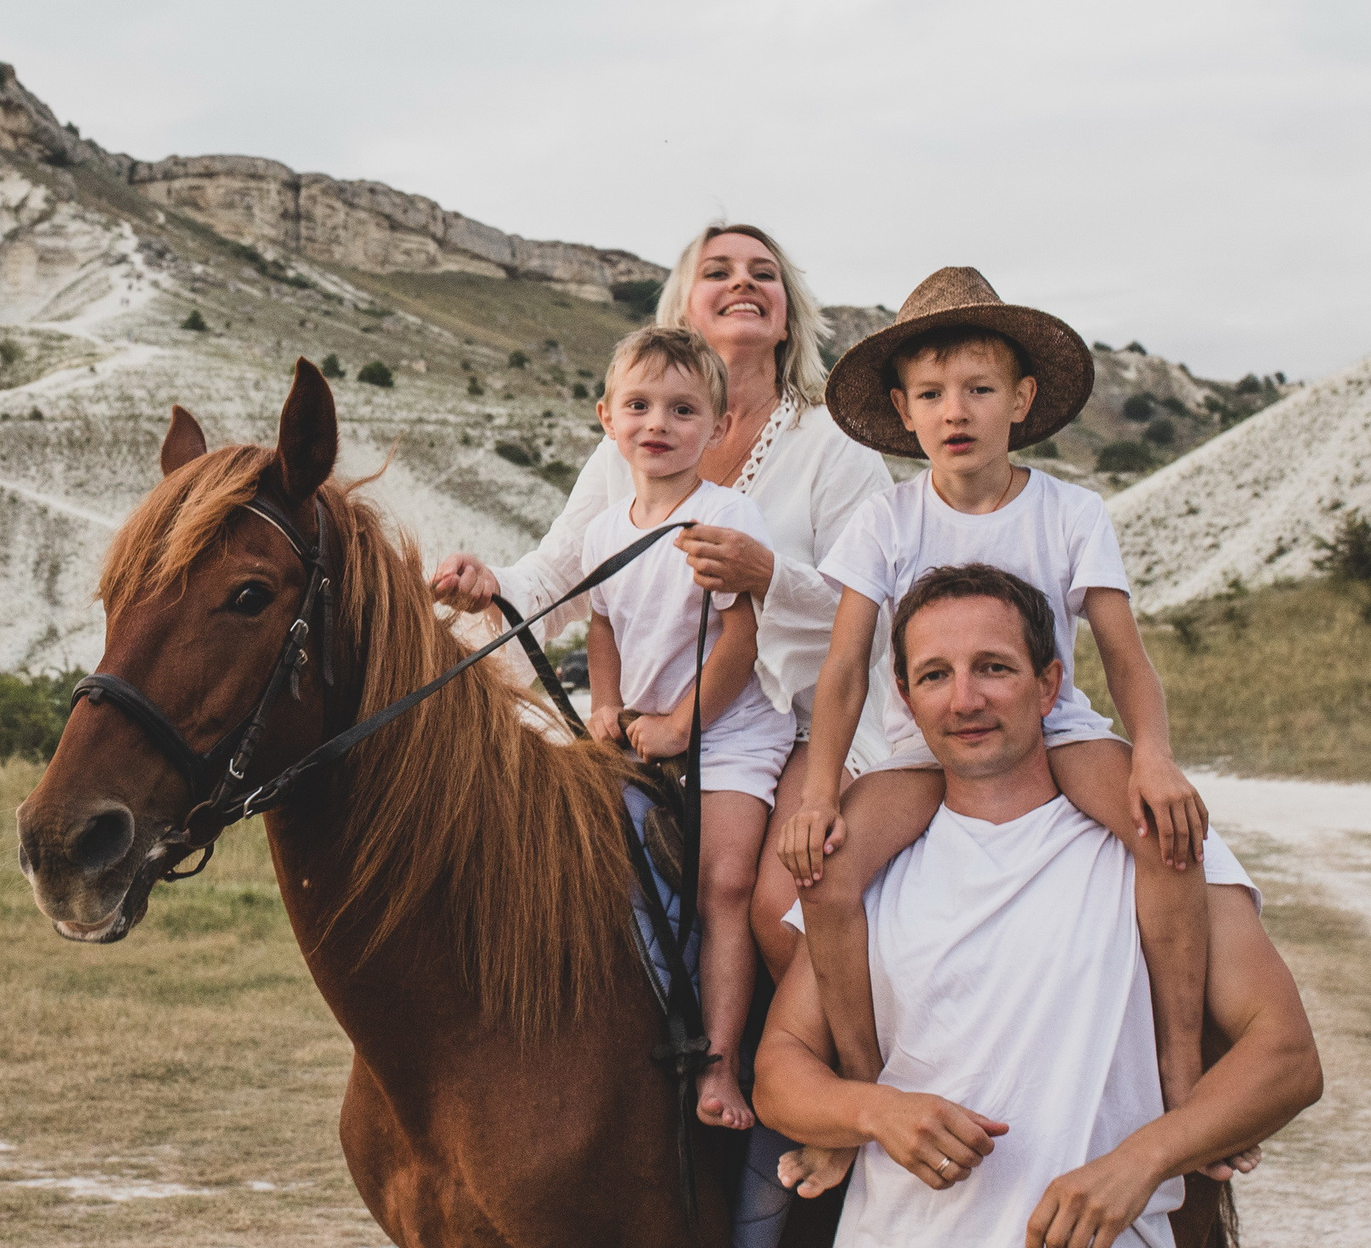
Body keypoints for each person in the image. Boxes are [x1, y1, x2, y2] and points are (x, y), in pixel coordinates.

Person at [755, 564, 1323, 1248]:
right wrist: (874, 1110)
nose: (965, 698)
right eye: (935, 674)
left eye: (994, 667)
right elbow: (779, 1069)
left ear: (1050, 682)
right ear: (904, 697)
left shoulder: (1150, 846)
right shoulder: (871, 867)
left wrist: (1141, 1160)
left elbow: (1286, 1055)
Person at [777, 267, 1262, 1193]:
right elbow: (843, 667)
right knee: (827, 874)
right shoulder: (887, 518)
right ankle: (861, 1091)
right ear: (904, 411)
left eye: (978, 388)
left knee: (1165, 835)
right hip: (922, 748)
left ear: (1022, 400)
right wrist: (819, 793)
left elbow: (1124, 653)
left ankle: (1181, 1068)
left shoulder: (1070, 511)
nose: (955, 411)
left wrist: (1155, 758)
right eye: (930, 394)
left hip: (1057, 731)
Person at [431, 223, 893, 975]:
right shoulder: (634, 439)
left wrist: (767, 575)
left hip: (802, 724)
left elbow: (876, 609)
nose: (743, 282)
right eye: (718, 270)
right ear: (683, 312)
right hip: (647, 723)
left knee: (776, 903)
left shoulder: (833, 442)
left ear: (788, 315)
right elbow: (562, 576)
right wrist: (491, 587)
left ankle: (795, 1048)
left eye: (763, 273)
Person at [577, 327, 797, 1128]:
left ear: (718, 425)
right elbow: (602, 624)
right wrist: (607, 704)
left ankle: (721, 1063)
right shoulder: (605, 529)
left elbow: (743, 637)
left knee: (725, 882)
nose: (657, 424)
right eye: (638, 405)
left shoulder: (727, 516)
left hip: (731, 729)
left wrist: (681, 724)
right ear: (607, 418)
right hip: (648, 727)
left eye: (682, 409)